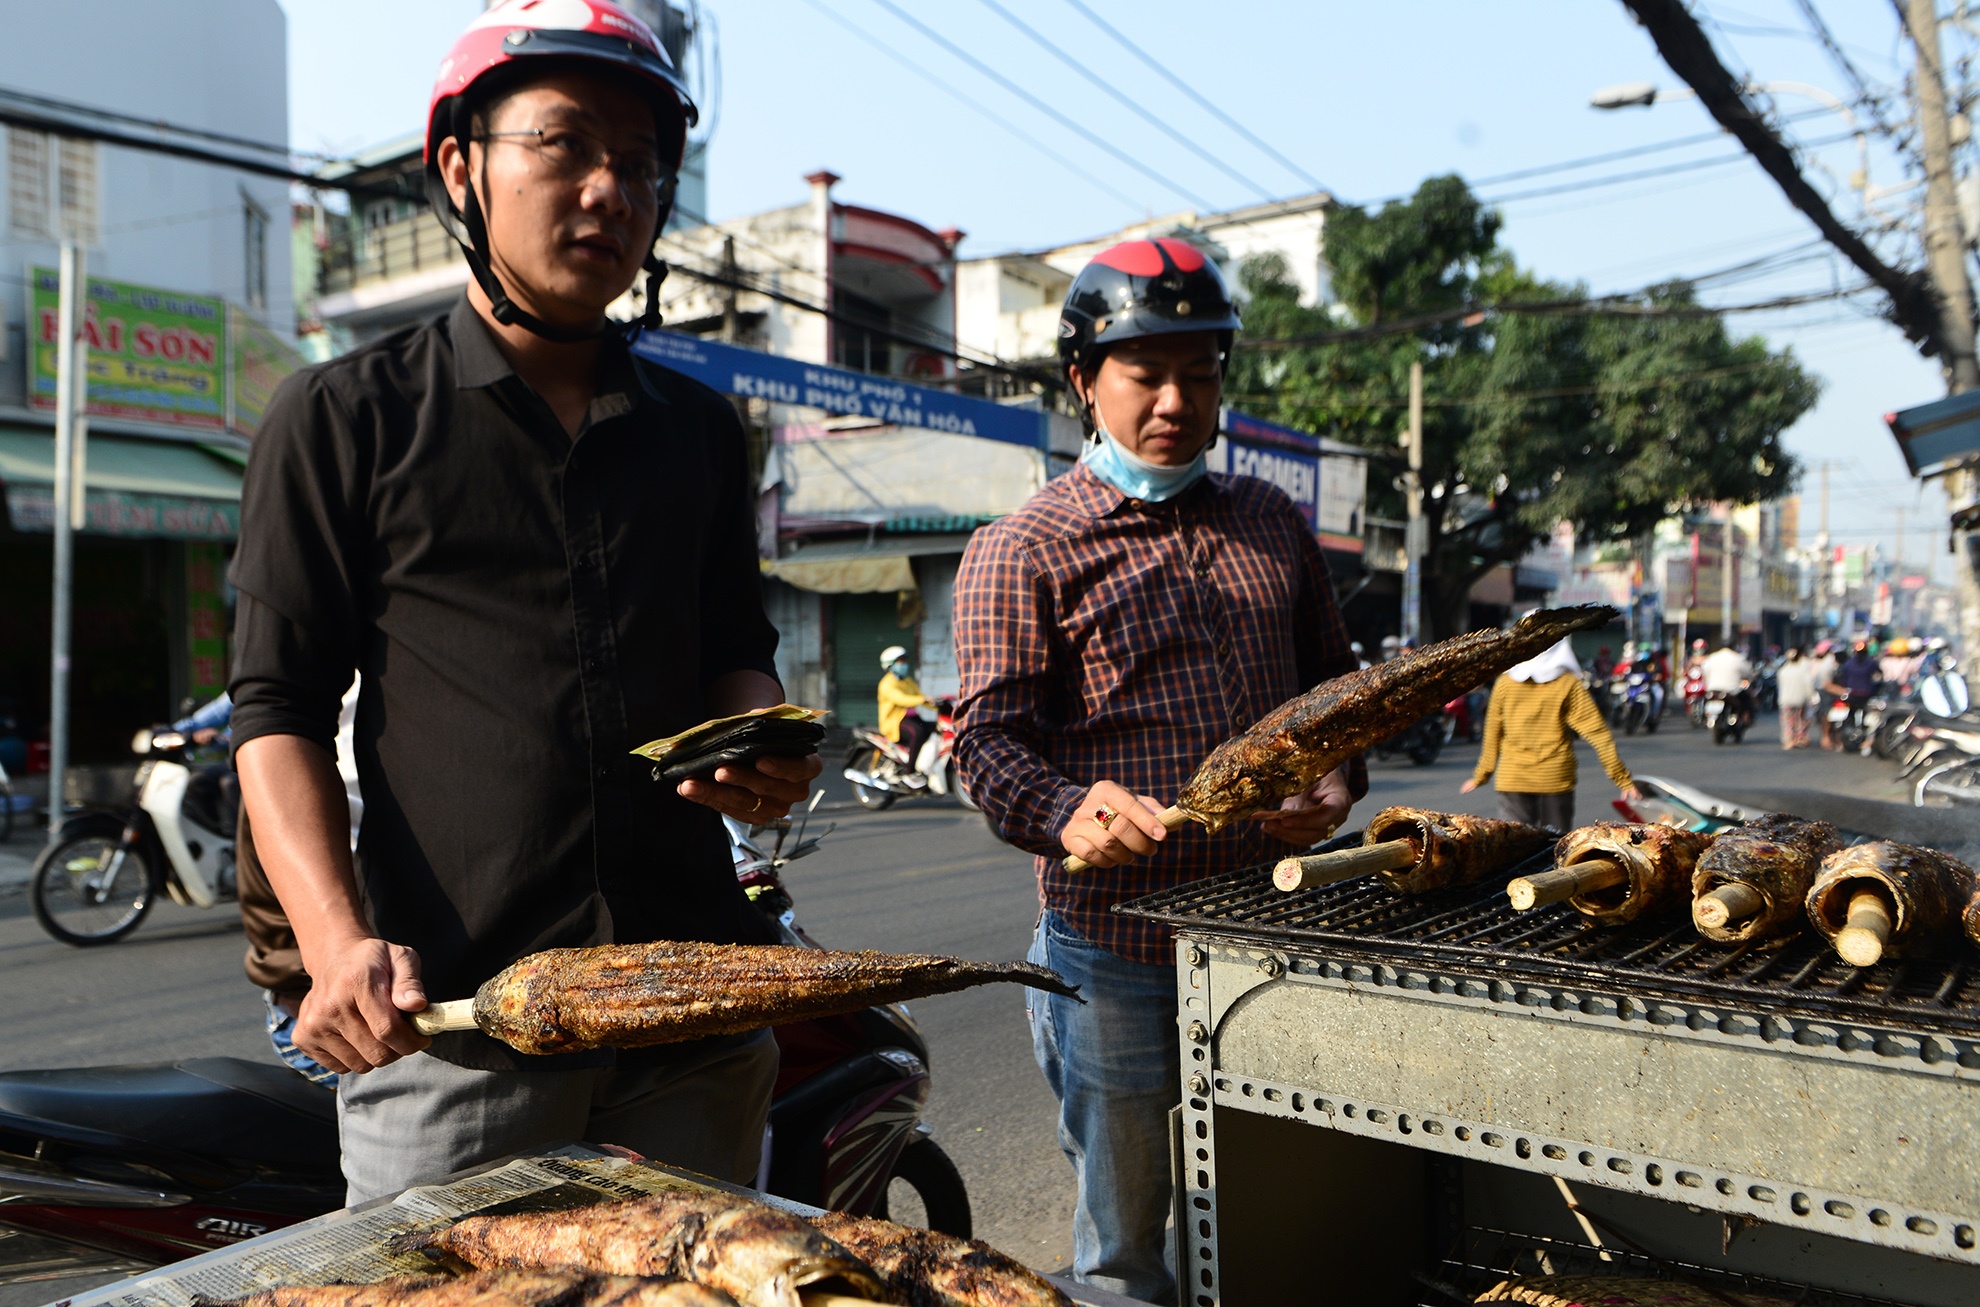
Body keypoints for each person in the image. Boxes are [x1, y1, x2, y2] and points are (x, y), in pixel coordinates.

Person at [228, 0, 817, 1205]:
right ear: (462, 166)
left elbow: (732, 650)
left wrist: (759, 738)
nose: (610, 190)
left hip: (693, 1016)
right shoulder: (344, 417)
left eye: (645, 167)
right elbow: (276, 704)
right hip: (453, 1030)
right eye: (565, 143)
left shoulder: (700, 431)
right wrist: (335, 945)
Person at [951, 238, 1364, 1302]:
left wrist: (1337, 772)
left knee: (1276, 1207)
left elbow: (1336, 689)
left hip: (1272, 939)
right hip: (1115, 955)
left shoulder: (1270, 521)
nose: (1176, 398)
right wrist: (1065, 806)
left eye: (1201, 370)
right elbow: (985, 743)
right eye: (1147, 372)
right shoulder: (1024, 545)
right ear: (1085, 381)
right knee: (1128, 1244)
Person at [1460, 634, 1639, 830]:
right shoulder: (1567, 684)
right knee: (1554, 850)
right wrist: (1622, 779)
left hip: (1513, 779)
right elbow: (1598, 734)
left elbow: (1492, 735)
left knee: (1515, 851)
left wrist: (1481, 775)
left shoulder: (1505, 684)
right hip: (1555, 780)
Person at [876, 645, 933, 767]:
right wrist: (923, 699)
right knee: (917, 733)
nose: (905, 665)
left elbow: (920, 697)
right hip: (894, 722)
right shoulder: (887, 684)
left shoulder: (908, 681)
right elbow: (901, 699)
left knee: (934, 728)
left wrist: (937, 703)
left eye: (905, 662)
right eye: (901, 662)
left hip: (911, 718)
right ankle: (909, 771)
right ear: (890, 665)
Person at [1775, 646, 1817, 750]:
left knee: (1788, 722)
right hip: (1800, 700)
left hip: (1785, 700)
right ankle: (1799, 738)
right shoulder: (1803, 670)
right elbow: (1808, 685)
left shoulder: (1783, 671)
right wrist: (1811, 696)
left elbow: (1780, 686)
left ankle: (1788, 740)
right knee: (1800, 720)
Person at [1810, 640, 1841, 748]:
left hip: (1823, 689)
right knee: (1826, 714)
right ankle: (1826, 737)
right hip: (1826, 690)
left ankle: (1827, 737)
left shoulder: (1822, 661)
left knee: (1825, 714)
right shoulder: (1828, 661)